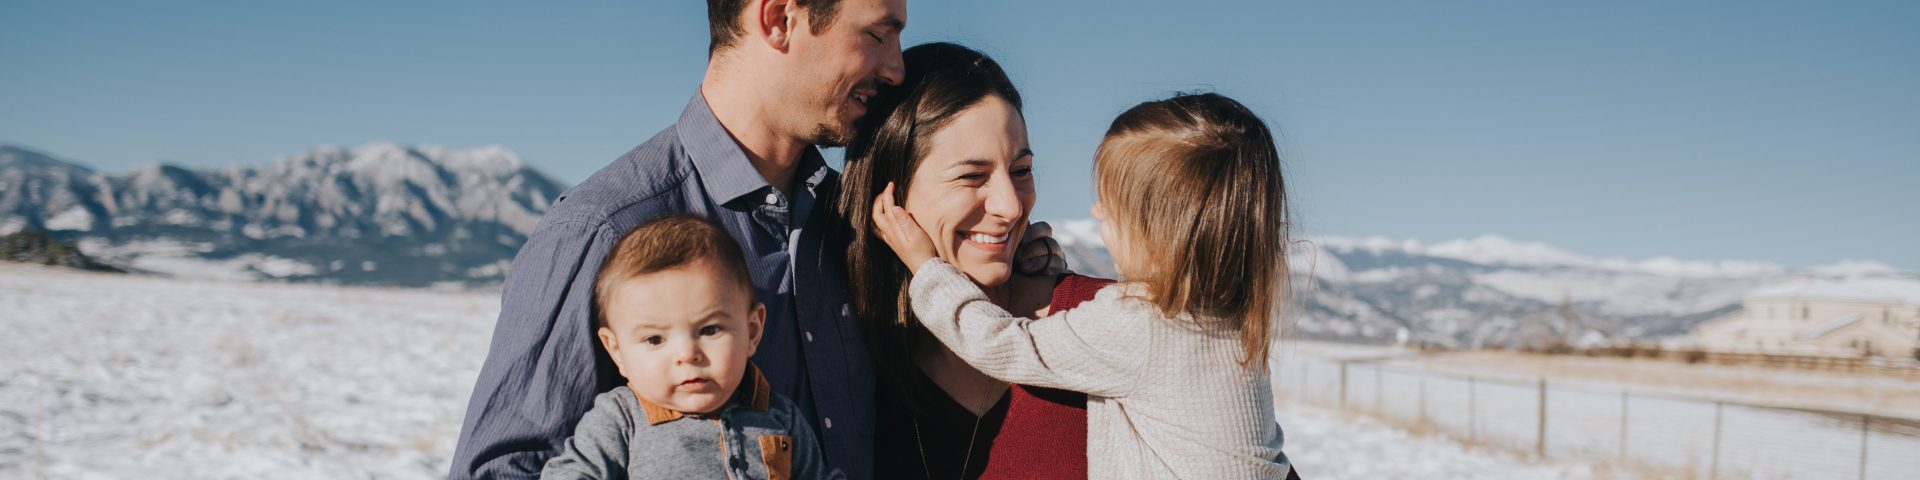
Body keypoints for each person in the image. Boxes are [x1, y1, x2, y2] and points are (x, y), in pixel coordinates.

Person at [449, 2, 1061, 477]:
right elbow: (503, 469)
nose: (897, 67)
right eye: (878, 34)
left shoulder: (847, 222)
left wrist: (1022, 279)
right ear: (778, 18)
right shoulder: (603, 230)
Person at [870, 92, 1295, 479]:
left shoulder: (1140, 322)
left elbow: (997, 343)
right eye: (972, 175)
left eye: (1111, 206)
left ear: (1157, 226)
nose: (1094, 211)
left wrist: (926, 267)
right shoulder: (1229, 327)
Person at [835, 42, 1090, 479]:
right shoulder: (846, 355)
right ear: (889, 195)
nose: (1010, 206)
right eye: (973, 176)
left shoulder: (1100, 322)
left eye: (1021, 171)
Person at [541, 215, 842, 479]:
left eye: (709, 330)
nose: (687, 355)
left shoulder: (779, 415)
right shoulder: (621, 419)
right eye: (655, 339)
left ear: (752, 331)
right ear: (617, 351)